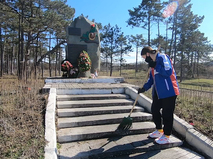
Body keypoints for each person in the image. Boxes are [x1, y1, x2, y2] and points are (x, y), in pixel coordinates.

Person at [138, 46, 180, 144]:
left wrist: (156, 65)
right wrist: (144, 88)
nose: (146, 60)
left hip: (169, 91)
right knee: (154, 110)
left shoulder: (162, 57)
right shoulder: (153, 64)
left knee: (167, 114)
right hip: (159, 92)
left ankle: (166, 135)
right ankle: (159, 130)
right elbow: (151, 80)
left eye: (145, 58)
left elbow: (168, 71)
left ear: (148, 54)